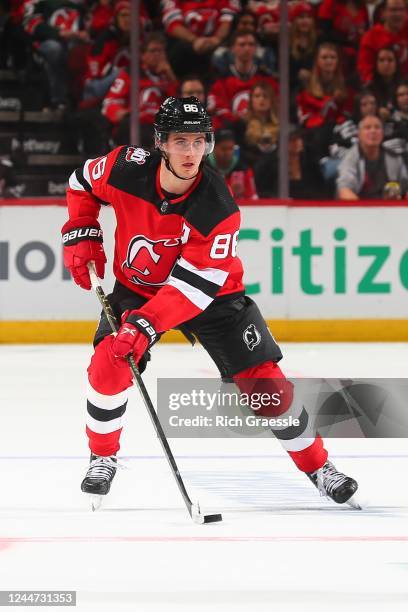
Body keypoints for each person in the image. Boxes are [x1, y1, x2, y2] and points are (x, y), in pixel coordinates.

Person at [62, 96, 359, 507]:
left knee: (265, 384)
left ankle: (318, 466)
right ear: (161, 143)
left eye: (199, 141)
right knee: (107, 363)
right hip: (139, 287)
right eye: (181, 141)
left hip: (213, 295)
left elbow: (194, 287)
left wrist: (144, 325)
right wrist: (81, 228)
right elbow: (80, 183)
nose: (191, 152)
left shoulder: (217, 206)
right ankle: (102, 456)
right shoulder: (124, 166)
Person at [337, 114, 408, 199]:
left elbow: (405, 187)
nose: (373, 131)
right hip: (360, 206)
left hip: (389, 208)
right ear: (359, 134)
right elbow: (344, 191)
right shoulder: (350, 158)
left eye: (377, 127)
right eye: (367, 127)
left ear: (382, 133)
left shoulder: (394, 157)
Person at [357, 0, 408, 83]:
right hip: (382, 86)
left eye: (401, 10)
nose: (398, 14)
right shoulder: (371, 37)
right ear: (383, 13)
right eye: (393, 10)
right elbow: (365, 70)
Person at [207, 128, 259, 200]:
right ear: (213, 148)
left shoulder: (244, 170)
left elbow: (253, 199)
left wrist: (241, 195)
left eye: (231, 148)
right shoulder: (204, 169)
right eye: (224, 149)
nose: (228, 152)